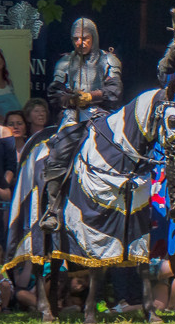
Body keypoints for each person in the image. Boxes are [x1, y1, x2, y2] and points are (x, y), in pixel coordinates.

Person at [39, 18, 122, 231]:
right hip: (72, 118)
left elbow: (114, 91)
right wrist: (72, 100)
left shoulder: (108, 60)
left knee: (123, 151)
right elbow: (54, 92)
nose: (80, 42)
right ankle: (53, 209)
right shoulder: (65, 63)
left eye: (84, 38)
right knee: (58, 154)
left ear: (93, 37)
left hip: (101, 117)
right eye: (76, 39)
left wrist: (91, 97)